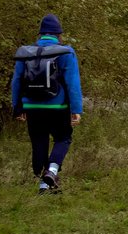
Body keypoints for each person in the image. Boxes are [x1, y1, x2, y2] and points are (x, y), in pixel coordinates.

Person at [8, 14, 82, 193]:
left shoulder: (26, 53)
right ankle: (52, 170)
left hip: (33, 108)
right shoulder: (65, 52)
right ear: (59, 34)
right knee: (63, 138)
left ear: (40, 34)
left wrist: (17, 107)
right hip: (57, 107)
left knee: (39, 142)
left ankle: (44, 185)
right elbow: (72, 83)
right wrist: (76, 109)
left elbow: (17, 81)